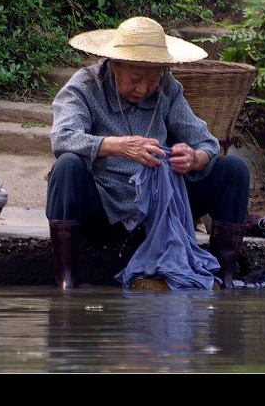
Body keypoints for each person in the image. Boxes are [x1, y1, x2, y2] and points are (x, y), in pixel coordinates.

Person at [46, 16, 250, 289]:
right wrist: (118, 145)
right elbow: (63, 138)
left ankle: (224, 277)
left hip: (161, 209)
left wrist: (193, 158)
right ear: (115, 64)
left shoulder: (168, 89)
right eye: (135, 78)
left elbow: (207, 143)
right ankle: (66, 282)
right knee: (67, 166)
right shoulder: (85, 86)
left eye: (153, 79)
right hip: (103, 207)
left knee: (234, 169)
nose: (143, 88)